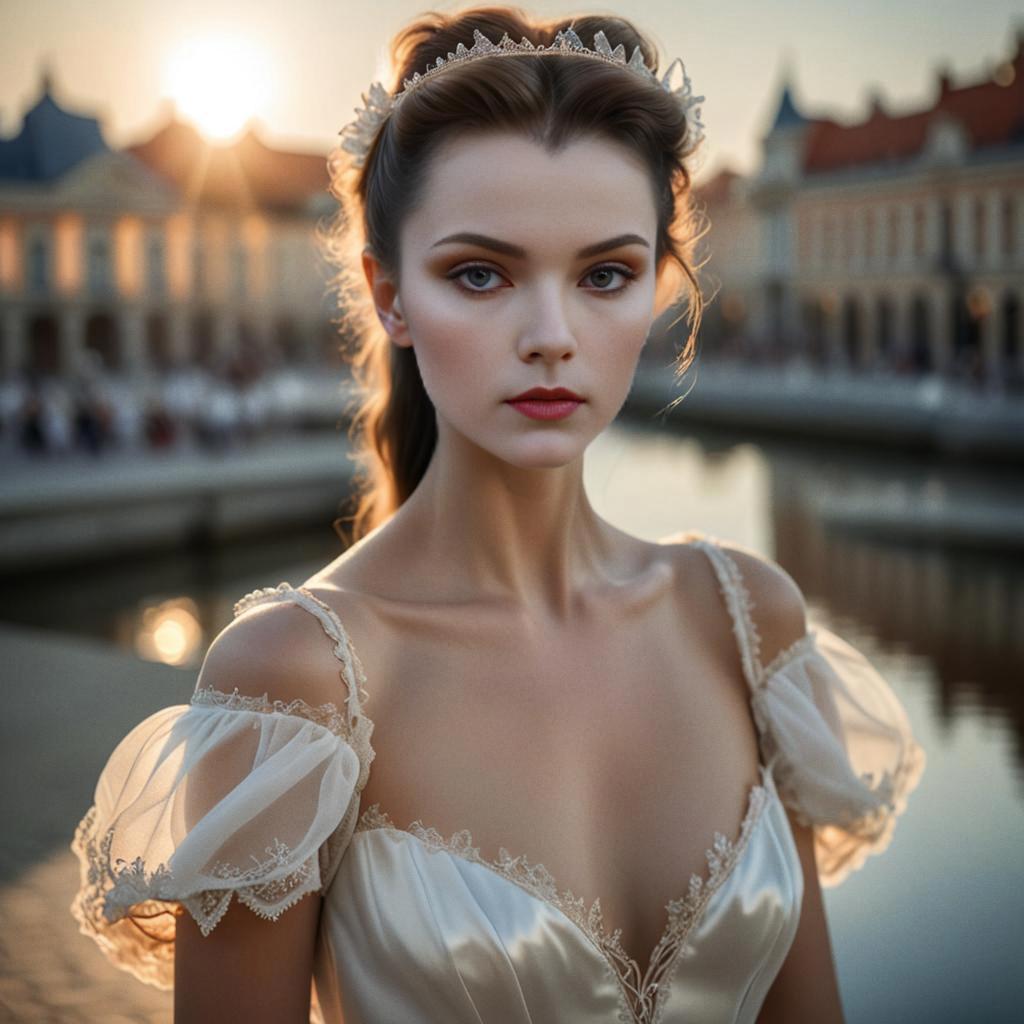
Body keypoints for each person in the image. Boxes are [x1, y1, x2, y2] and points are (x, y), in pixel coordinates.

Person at [69, 7, 926, 1023]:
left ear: (657, 285)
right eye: (480, 273)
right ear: (389, 295)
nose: (551, 336)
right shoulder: (294, 686)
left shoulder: (750, 626)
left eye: (604, 274)